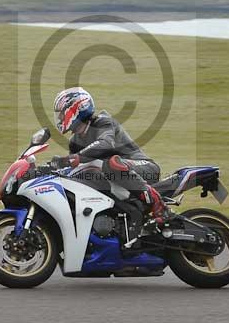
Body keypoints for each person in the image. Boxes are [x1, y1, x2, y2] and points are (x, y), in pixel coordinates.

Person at [49, 86, 169, 224]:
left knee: (112, 164)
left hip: (144, 167)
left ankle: (158, 204)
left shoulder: (103, 122)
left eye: (62, 113)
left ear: (77, 108)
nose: (59, 118)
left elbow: (105, 144)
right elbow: (76, 168)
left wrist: (75, 158)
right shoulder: (75, 141)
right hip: (118, 179)